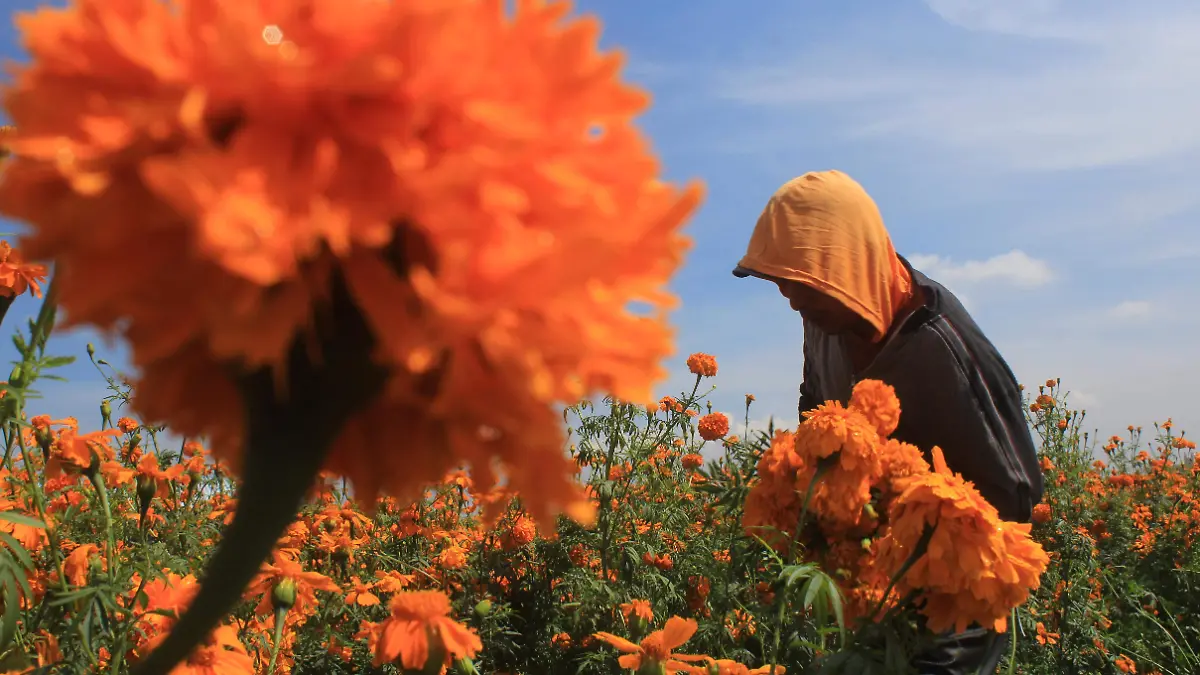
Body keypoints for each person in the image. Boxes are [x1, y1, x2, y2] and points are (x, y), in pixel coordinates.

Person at [732, 170, 1045, 675]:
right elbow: (813, 407)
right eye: (782, 284)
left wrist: (919, 519)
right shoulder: (824, 324)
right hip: (872, 590)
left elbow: (1017, 496)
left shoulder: (943, 347)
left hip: (952, 607)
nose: (791, 299)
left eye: (800, 284)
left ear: (844, 266)